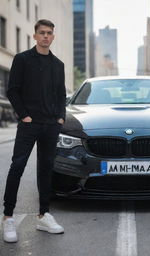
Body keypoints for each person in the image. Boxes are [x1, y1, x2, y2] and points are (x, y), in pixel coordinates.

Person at [2, 19, 66, 243]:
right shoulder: (22, 60)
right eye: (42, 33)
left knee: (46, 169)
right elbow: (12, 90)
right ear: (35, 36)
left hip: (51, 125)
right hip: (29, 124)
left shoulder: (58, 65)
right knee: (17, 166)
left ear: (53, 36)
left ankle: (43, 215)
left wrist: (60, 118)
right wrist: (24, 116)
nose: (46, 36)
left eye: (49, 33)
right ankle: (8, 217)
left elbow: (60, 95)